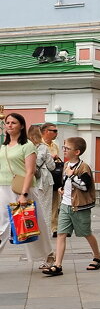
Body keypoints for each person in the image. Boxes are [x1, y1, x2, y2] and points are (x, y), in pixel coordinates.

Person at [42, 136, 100, 277]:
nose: (64, 150)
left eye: (67, 148)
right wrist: (62, 189)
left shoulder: (84, 167)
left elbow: (84, 186)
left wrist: (71, 176)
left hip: (80, 207)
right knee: (61, 234)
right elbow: (67, 183)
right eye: (64, 147)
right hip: (65, 205)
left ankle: (98, 257)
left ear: (77, 152)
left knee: (86, 233)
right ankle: (57, 265)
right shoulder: (66, 165)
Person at [1, 113, 51, 268]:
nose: (9, 125)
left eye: (13, 122)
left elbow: (30, 171)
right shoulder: (3, 146)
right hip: (3, 188)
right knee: (2, 225)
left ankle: (48, 256)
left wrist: (23, 194)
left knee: (33, 224)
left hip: (22, 189)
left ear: (21, 126)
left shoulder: (27, 146)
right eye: (7, 122)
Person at [26, 125, 56, 269]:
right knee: (45, 213)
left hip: (29, 183)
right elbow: (51, 166)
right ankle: (48, 252)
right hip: (43, 182)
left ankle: (42, 252)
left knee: (33, 215)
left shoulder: (25, 146)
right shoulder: (43, 148)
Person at [41, 122, 62, 236]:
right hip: (42, 179)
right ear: (45, 132)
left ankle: (54, 227)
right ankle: (44, 226)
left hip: (54, 177)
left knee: (55, 202)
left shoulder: (55, 146)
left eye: (56, 131)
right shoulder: (39, 144)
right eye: (54, 131)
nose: (56, 133)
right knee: (44, 203)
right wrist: (50, 158)